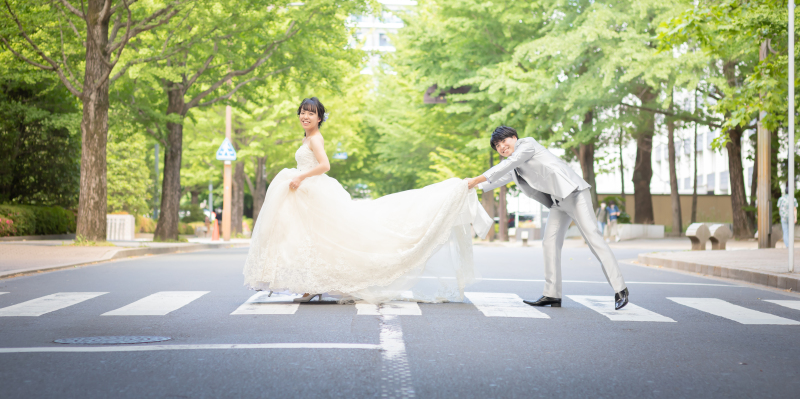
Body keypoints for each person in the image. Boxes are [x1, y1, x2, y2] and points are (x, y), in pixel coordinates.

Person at [243, 97, 492, 304]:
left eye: (311, 113)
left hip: (313, 189)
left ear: (320, 118)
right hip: (306, 192)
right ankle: (312, 284)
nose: (305, 117)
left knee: (325, 238)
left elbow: (325, 165)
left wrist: (300, 176)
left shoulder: (316, 139)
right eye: (302, 113)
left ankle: (315, 285)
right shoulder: (306, 138)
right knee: (310, 239)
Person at [466, 126, 629, 310]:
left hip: (574, 194)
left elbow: (506, 165)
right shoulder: (513, 167)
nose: (502, 146)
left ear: (514, 137)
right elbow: (496, 179)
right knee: (549, 243)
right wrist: (470, 186)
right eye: (497, 145)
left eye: (504, 141)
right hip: (557, 203)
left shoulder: (527, 144)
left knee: (593, 240)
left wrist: (476, 179)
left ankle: (620, 289)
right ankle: (552, 294)